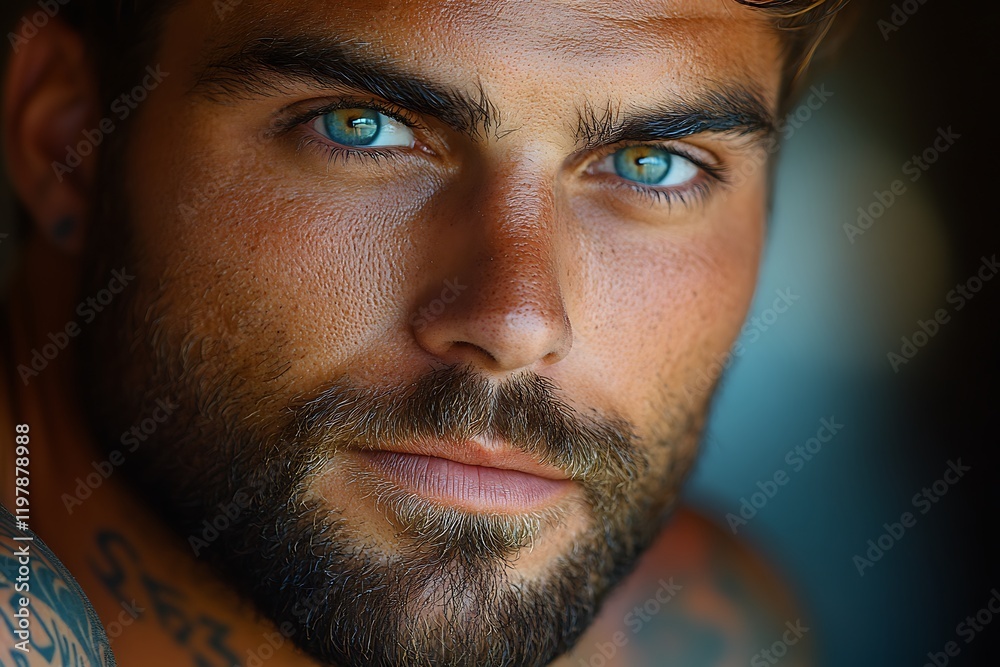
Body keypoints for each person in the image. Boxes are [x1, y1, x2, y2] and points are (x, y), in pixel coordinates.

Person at [0, 0, 846, 664]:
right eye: (359, 126)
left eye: (651, 164)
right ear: (67, 137)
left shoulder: (702, 628)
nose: (516, 323)